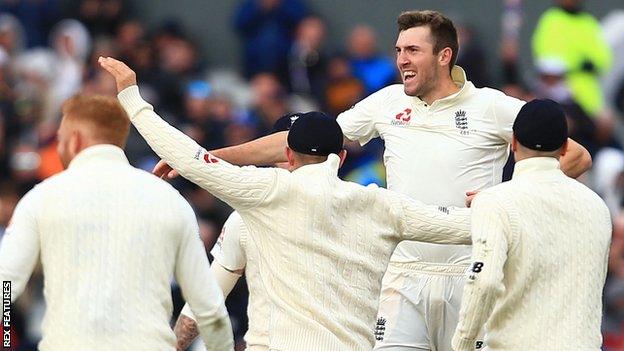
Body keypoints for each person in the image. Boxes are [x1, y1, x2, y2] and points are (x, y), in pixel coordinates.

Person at [153, 10, 592, 351]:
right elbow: (308, 142)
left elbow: (576, 154)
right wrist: (209, 158)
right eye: (399, 49)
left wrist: (505, 199)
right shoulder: (385, 103)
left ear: (445, 56)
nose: (401, 59)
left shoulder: (492, 107)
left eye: (413, 50)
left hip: (469, 267)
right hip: (404, 273)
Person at [100, 55, 473, 351]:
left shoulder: (262, 195)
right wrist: (497, 200)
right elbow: (464, 226)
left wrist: (132, 98)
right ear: (340, 159)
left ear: (288, 156)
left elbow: (190, 160)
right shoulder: (382, 206)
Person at [0, 94, 233, 350]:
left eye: (60, 139)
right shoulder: (170, 200)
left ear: (75, 140)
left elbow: (6, 284)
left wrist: (6, 339)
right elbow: (209, 308)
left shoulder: (40, 198)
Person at [452, 99, 612, 350]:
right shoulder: (598, 207)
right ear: (563, 147)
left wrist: (463, 344)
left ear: (513, 142)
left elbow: (484, 283)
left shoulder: (494, 202)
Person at [174, 116, 296, 351]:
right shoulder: (245, 219)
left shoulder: (363, 207)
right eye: (287, 150)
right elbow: (206, 301)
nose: (293, 160)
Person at [532, 0, 612, 117]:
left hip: (588, 98)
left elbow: (603, 58)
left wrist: (589, 64)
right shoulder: (551, 19)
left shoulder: (588, 22)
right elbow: (547, 59)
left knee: (606, 123)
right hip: (560, 93)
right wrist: (577, 64)